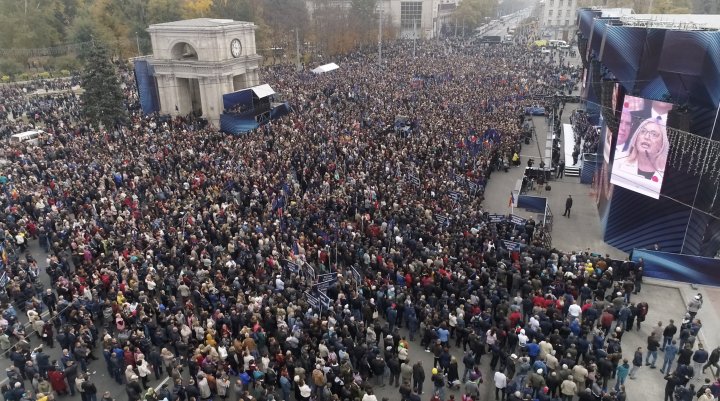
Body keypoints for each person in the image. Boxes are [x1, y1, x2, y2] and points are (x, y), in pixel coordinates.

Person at [613, 117, 669, 186]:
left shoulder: (667, 174)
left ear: (662, 144)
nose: (646, 137)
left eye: (654, 134)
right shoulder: (617, 160)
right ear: (636, 137)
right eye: (643, 131)